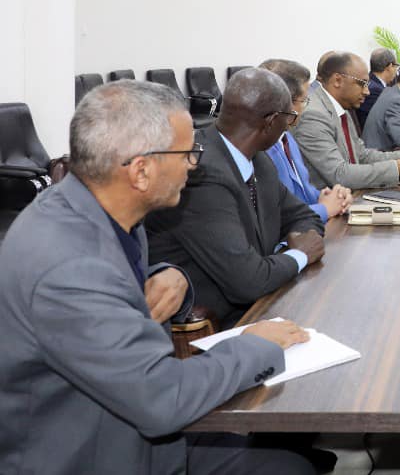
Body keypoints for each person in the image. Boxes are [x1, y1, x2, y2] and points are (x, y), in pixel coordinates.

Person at [0, 80, 315, 474]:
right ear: (141, 171)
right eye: (188, 153)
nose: (194, 164)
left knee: (288, 459)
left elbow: (113, 285)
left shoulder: (97, 209)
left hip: (126, 422)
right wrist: (255, 345)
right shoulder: (68, 265)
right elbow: (163, 399)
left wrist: (169, 274)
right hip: (92, 453)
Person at [146, 68, 327, 329]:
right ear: (271, 121)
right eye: (290, 117)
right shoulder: (199, 174)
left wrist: (296, 240)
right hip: (219, 326)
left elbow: (304, 216)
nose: (290, 125)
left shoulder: (258, 160)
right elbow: (249, 282)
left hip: (265, 303)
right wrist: (300, 253)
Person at [293, 51, 400, 189]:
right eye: (362, 83)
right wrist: (396, 169)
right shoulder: (314, 115)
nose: (367, 91)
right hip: (331, 203)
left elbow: (361, 155)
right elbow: (339, 175)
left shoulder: (340, 108)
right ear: (337, 80)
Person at [260, 59, 352, 223]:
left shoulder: (287, 138)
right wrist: (325, 209)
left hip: (310, 225)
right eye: (304, 100)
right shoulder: (261, 150)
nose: (306, 107)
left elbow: (304, 193)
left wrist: (332, 196)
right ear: (285, 104)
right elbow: (277, 217)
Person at [355, 47, 398, 132]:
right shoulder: (375, 90)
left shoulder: (372, 83)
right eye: (396, 66)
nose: (396, 71)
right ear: (389, 66)